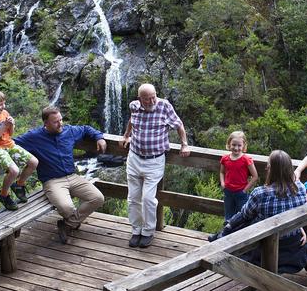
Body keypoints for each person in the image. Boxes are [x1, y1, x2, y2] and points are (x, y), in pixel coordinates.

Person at [209, 150, 307, 278]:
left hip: (267, 244)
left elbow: (244, 215)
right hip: (292, 241)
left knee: (243, 222)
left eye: (268, 165)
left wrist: (228, 226)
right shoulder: (300, 188)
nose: (267, 167)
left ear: (270, 169)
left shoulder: (261, 193)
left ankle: (220, 236)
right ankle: (220, 235)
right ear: (289, 168)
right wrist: (300, 228)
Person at [14, 106, 106, 244]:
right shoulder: (34, 137)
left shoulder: (69, 131)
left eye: (61, 119)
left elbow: (86, 128)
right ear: (46, 123)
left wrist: (99, 137)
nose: (60, 123)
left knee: (98, 198)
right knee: (67, 208)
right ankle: (73, 222)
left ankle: (67, 225)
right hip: (52, 181)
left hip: (73, 176)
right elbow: (11, 143)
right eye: (56, 122)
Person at [120, 83, 190, 248]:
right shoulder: (134, 106)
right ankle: (136, 229)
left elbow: (179, 125)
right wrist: (125, 136)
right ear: (140, 99)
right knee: (133, 198)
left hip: (155, 160)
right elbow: (132, 120)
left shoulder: (164, 106)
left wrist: (184, 144)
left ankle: (148, 231)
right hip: (134, 158)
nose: (152, 101)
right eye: (147, 99)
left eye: (154, 97)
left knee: (148, 199)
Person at [0, 89, 38, 211]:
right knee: (14, 170)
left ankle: (19, 184)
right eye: (0, 104)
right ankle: (3, 194)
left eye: (3, 103)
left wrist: (11, 125)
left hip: (9, 144)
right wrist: (3, 127)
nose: (3, 106)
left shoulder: (4, 113)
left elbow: (10, 133)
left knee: (34, 162)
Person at [219, 131, 258, 220]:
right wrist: (222, 183)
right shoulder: (225, 158)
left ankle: (239, 232)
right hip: (228, 191)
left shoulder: (246, 159)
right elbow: (221, 172)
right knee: (228, 215)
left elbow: (255, 176)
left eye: (239, 145)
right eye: (233, 145)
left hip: (241, 193)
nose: (236, 148)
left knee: (241, 216)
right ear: (229, 144)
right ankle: (228, 232)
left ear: (243, 145)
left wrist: (245, 190)